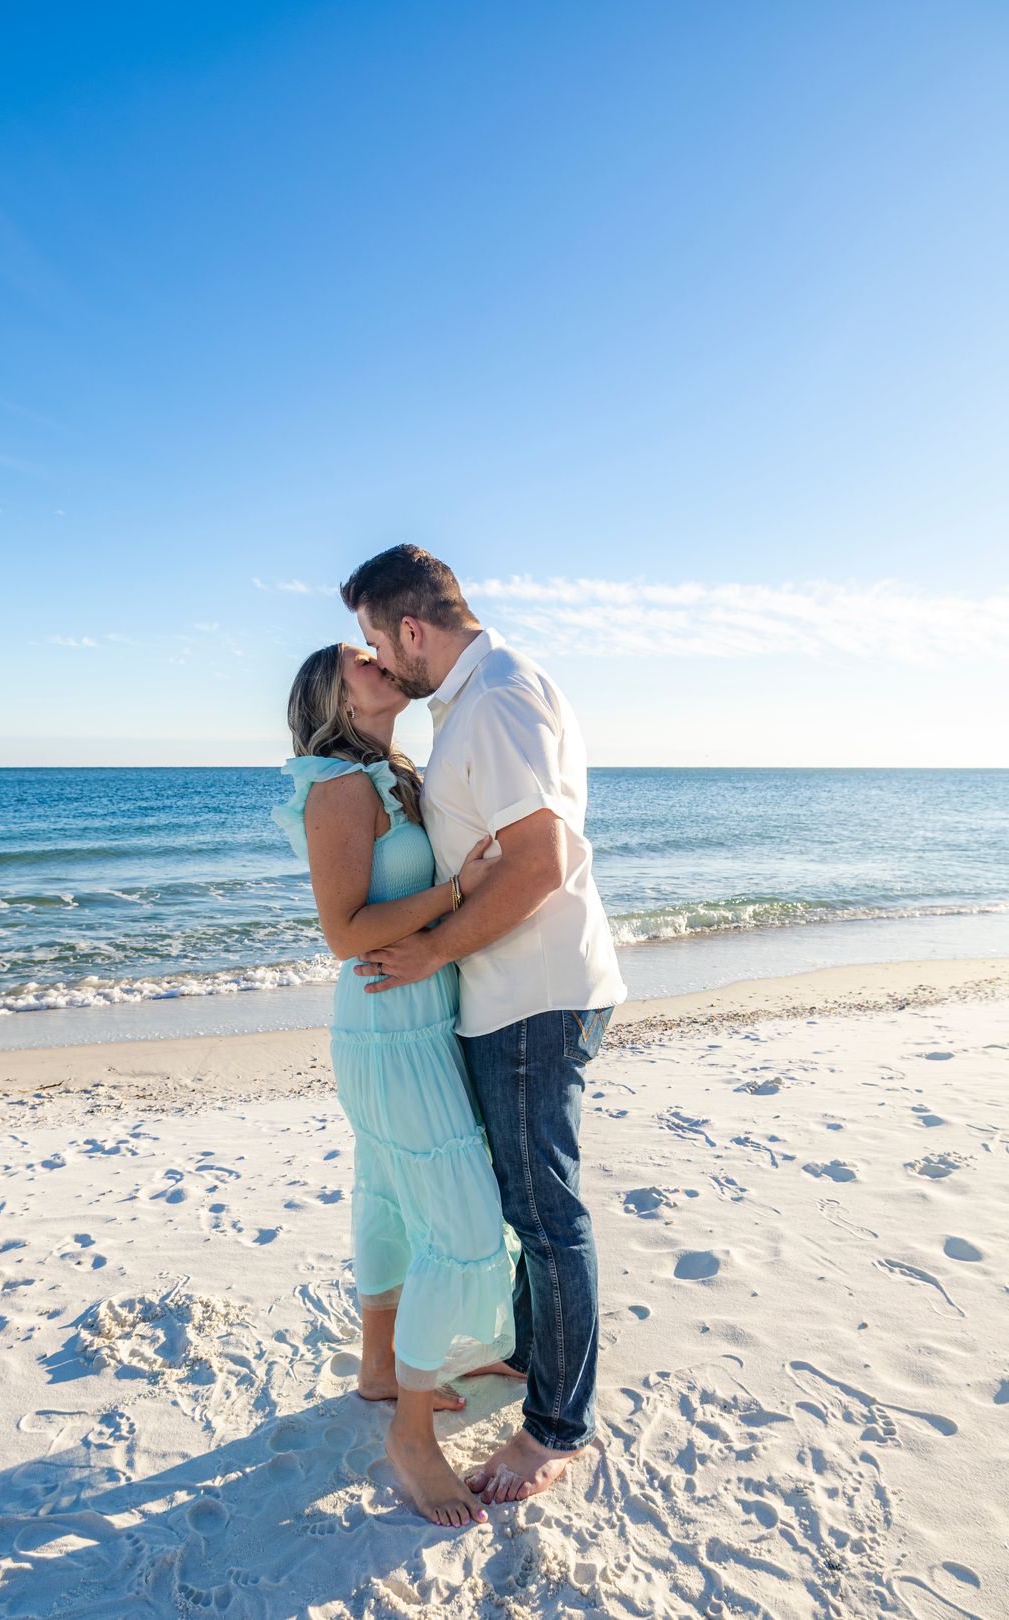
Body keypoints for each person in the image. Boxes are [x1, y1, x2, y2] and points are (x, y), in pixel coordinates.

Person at [340, 544, 628, 1507]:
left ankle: (554, 1429)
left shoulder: (497, 698)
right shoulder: (474, 700)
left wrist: (428, 951)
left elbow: (541, 863)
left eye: (381, 639)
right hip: (508, 993)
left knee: (545, 1216)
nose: (381, 658)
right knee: (521, 1206)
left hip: (530, 996)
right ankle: (518, 1359)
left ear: (411, 629)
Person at [271, 642, 522, 1529]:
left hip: (412, 1013)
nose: (382, 661)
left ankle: (380, 1368)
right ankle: (410, 1435)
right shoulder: (339, 785)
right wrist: (459, 888)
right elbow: (343, 932)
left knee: (386, 1192)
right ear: (335, 694)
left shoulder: (392, 773)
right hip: (386, 1020)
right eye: (361, 660)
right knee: (459, 1223)